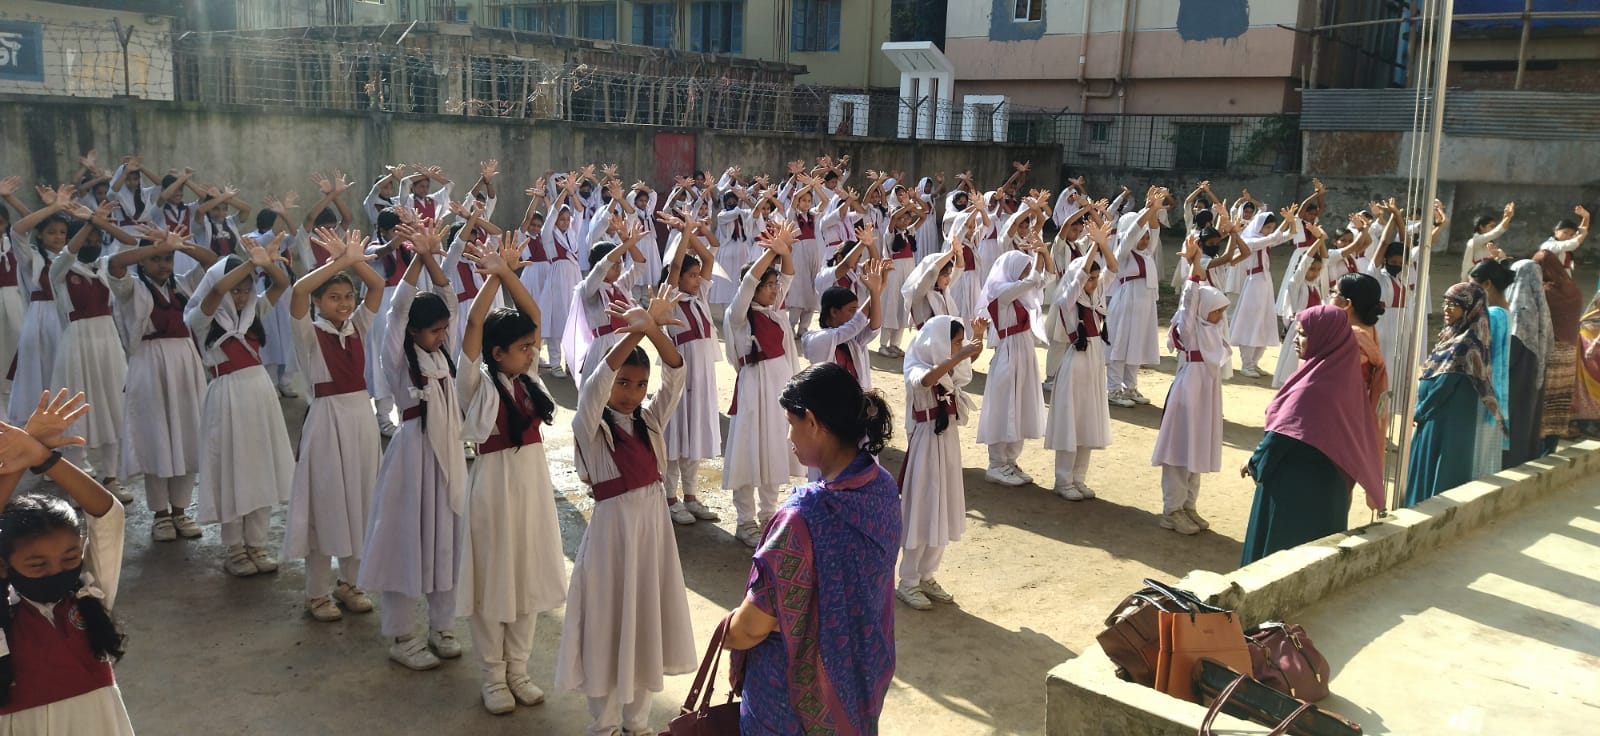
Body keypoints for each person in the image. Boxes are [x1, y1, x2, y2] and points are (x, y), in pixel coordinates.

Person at [724, 362, 900, 734]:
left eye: (791, 422)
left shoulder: (801, 520)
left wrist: (727, 630)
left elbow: (750, 628)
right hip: (859, 682)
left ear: (814, 423)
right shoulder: (882, 486)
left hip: (788, 708)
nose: (789, 435)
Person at [555, 289, 693, 736]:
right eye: (623, 383)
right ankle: (606, 724)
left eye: (639, 385)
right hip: (612, 536)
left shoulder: (649, 421)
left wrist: (653, 331)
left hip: (652, 533)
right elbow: (596, 385)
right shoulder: (590, 426)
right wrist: (633, 334)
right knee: (608, 621)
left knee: (644, 617)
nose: (632, 393)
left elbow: (676, 375)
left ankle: (637, 721)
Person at [456, 239, 566, 715]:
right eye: (522, 348)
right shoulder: (475, 385)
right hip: (493, 490)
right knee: (493, 580)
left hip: (531, 488)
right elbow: (474, 325)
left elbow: (534, 314)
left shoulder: (529, 380)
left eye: (531, 346)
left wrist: (508, 272)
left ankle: (518, 669)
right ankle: (492, 675)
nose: (531, 351)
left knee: (527, 577)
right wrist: (492, 279)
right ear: (497, 353)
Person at [356, 221, 468, 671]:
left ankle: (443, 625)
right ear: (414, 332)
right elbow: (398, 310)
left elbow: (450, 302)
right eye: (433, 330)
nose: (441, 335)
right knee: (406, 541)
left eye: (443, 330)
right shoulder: (398, 357)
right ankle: (402, 635)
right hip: (412, 458)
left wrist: (433, 260)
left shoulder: (444, 354)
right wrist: (417, 261)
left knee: (446, 539)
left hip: (447, 458)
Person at [0, 390, 132, 734]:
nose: (57, 571)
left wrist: (43, 457)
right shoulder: (6, 607)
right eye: (37, 565)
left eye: (71, 557)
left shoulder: (91, 591)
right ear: (5, 564)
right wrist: (21, 458)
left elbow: (109, 515)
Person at [283, 228, 386, 621]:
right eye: (333, 297)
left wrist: (354, 261)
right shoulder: (309, 334)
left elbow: (377, 286)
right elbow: (298, 291)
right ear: (318, 301)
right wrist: (340, 262)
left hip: (360, 420)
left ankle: (351, 582)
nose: (343, 303)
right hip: (327, 423)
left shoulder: (358, 326)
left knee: (361, 499)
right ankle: (317, 593)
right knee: (325, 504)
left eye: (347, 296)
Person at [184, 239, 296, 576]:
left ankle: (257, 544)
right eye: (237, 290)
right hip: (227, 396)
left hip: (259, 395)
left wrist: (266, 263)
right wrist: (250, 263)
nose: (242, 297)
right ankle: (234, 548)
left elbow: (282, 283)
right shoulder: (201, 318)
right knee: (232, 471)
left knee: (260, 468)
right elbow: (217, 289)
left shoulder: (253, 315)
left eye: (247, 290)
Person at [1241, 305, 1383, 565]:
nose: (1296, 339)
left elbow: (1282, 434)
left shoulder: (1313, 386)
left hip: (1295, 491)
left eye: (1304, 334)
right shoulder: (1344, 376)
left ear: (1325, 338)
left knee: (1279, 564)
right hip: (1330, 491)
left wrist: (1254, 463)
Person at [106, 229, 216, 541]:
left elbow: (212, 263)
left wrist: (180, 245)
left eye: (168, 258)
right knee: (156, 437)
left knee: (187, 434)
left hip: (186, 364)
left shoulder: (184, 284)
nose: (163, 264)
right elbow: (115, 264)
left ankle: (180, 510)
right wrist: (153, 247)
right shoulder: (132, 288)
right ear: (142, 261)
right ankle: (160, 514)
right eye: (156, 259)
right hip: (149, 364)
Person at [896, 315, 984, 611]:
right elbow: (926, 380)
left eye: (959, 342)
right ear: (937, 342)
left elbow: (964, 364)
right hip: (925, 443)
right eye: (954, 342)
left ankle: (927, 574)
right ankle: (908, 580)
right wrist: (959, 354)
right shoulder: (917, 365)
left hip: (946, 441)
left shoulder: (947, 368)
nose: (958, 347)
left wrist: (977, 339)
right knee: (922, 507)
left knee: (943, 505)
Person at [723, 223, 803, 548]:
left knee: (773, 448)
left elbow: (789, 276)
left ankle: (769, 515)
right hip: (753, 390)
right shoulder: (739, 316)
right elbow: (747, 284)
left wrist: (784, 251)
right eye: (767, 285)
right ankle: (745, 521)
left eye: (773, 285)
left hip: (778, 392)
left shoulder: (775, 313)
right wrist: (771, 252)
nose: (774, 289)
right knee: (747, 450)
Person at [49, 202, 136, 499]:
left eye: (97, 240)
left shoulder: (106, 266)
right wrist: (89, 224)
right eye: (88, 239)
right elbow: (69, 252)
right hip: (78, 344)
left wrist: (97, 222)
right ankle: (78, 482)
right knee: (77, 408)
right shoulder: (59, 269)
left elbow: (130, 242)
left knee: (113, 405)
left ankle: (110, 477)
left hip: (108, 342)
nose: (93, 244)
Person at [1150, 250, 1233, 535]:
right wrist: (1193, 271)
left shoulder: (1212, 329)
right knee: (1179, 450)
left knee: (1196, 449)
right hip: (1188, 394)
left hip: (1206, 394)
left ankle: (1188, 505)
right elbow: (1189, 303)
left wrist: (1199, 267)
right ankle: (1171, 510)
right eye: (1217, 310)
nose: (1221, 315)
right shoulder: (1190, 328)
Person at [1405, 283, 1499, 507]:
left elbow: (1444, 386)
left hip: (1445, 421)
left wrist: (1419, 411)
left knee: (1439, 474)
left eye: (1454, 305)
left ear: (1470, 308)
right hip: (1437, 418)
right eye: (1445, 303)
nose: (1447, 309)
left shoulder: (1466, 343)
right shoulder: (1452, 335)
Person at [656, 213, 723, 526]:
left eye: (698, 276)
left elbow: (709, 258)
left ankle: (691, 496)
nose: (697, 279)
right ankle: (670, 497)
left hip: (703, 377)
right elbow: (673, 268)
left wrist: (692, 231)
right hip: (681, 376)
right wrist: (683, 237)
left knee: (695, 433)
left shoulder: (700, 298)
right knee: (677, 433)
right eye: (691, 275)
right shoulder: (670, 299)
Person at [1045, 220, 1117, 501]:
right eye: (1089, 278)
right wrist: (1093, 248)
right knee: (1071, 419)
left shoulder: (1096, 294)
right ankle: (1063, 480)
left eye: (1095, 278)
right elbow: (1079, 277)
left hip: (1095, 360)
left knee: (1088, 418)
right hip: (1076, 362)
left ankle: (1078, 478)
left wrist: (1103, 245)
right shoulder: (1068, 298)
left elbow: (1113, 268)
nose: (1093, 282)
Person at [976, 245, 1052, 488]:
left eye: (1028, 269)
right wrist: (1038, 256)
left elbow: (1046, 279)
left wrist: (1044, 253)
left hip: (1024, 352)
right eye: (1024, 269)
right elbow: (1031, 281)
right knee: (1004, 405)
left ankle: (1010, 460)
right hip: (1008, 352)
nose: (1027, 273)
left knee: (1021, 405)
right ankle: (996, 464)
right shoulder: (1000, 291)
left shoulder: (1022, 294)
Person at [1229, 207, 1298, 378]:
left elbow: (1289, 235)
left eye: (1271, 227)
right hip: (1254, 283)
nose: (1270, 230)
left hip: (1265, 283)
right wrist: (1286, 221)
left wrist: (1291, 221)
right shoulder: (1250, 241)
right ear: (1259, 225)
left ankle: (1254, 362)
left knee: (1264, 321)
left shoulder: (1263, 240)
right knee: (1252, 321)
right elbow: (1273, 238)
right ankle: (1247, 363)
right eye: (1267, 227)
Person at [1331, 273, 1390, 464]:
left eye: (1334, 293)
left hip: (1341, 413)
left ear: (1347, 303)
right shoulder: (1366, 330)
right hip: (1358, 407)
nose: (1330, 297)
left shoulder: (1351, 337)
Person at [802, 260, 886, 392]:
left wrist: (877, 291)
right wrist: (874, 291)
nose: (855, 314)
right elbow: (855, 324)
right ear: (834, 312)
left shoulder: (850, 341)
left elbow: (873, 328)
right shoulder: (818, 339)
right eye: (851, 310)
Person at [1504, 260, 1552, 466]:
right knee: (1528, 417)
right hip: (1535, 368)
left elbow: (1513, 343)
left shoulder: (1518, 307)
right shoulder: (1541, 305)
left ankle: (1510, 462)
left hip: (1518, 369)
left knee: (1514, 418)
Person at [1470, 259, 1513, 477]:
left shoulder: (1493, 315)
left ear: (1487, 284)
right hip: (1498, 389)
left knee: (1479, 453)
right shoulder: (1504, 311)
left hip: (1486, 388)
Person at [1535, 250, 1582, 453]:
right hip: (1569, 352)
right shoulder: (1574, 290)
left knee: (1542, 402)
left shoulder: (1544, 292)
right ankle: (1550, 448)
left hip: (1549, 352)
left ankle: (1537, 450)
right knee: (1559, 401)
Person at [1460, 203, 1514, 283]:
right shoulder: (1476, 241)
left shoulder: (1488, 242)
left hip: (1483, 281)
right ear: (1481, 227)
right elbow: (1497, 232)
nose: (1493, 229)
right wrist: (1508, 217)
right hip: (1472, 283)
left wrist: (1500, 258)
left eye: (1494, 226)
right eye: (1491, 226)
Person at [1536, 205, 1590, 274]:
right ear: (1556, 231)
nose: (1567, 236)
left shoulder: (1567, 240)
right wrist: (1583, 234)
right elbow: (1571, 244)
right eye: (1565, 232)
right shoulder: (1548, 244)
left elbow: (1581, 231)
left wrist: (1586, 216)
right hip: (1551, 277)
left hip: (1564, 276)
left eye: (1571, 234)